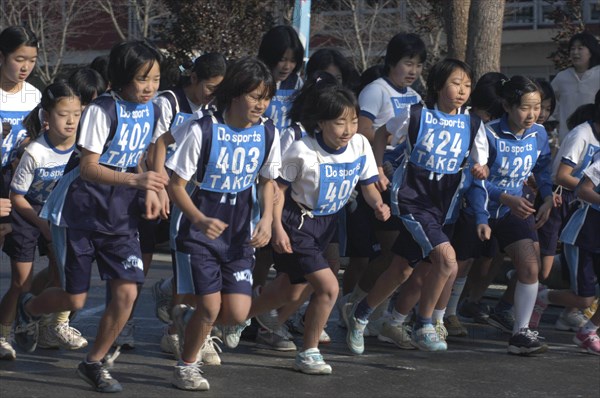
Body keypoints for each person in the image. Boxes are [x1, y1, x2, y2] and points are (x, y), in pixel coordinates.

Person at [13, 40, 168, 393]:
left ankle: (93, 362)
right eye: (142, 79)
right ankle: (30, 306)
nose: (149, 87)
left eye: (155, 79)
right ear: (123, 77)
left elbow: (153, 148)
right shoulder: (101, 110)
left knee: (128, 293)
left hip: (122, 216)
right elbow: (88, 169)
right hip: (80, 214)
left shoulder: (155, 109)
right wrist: (137, 179)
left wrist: (156, 187)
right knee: (74, 298)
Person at [343, 58, 489, 354]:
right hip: (413, 198)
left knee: (402, 270)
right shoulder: (416, 115)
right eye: (455, 83)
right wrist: (380, 167)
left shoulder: (473, 124)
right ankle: (424, 323)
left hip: (444, 205)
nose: (462, 90)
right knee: (447, 260)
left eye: (467, 85)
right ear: (437, 86)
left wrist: (480, 169)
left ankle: (361, 314)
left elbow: (480, 161)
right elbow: (383, 133)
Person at [248, 73, 390, 374]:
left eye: (352, 122)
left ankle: (237, 317)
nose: (348, 130)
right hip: (297, 222)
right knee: (328, 287)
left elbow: (367, 185)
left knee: (290, 289)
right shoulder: (301, 149)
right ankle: (309, 352)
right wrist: (275, 228)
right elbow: (277, 189)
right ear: (321, 122)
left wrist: (378, 204)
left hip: (326, 225)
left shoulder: (360, 146)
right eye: (340, 123)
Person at [165, 56, 280, 391]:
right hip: (200, 233)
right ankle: (186, 366)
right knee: (211, 307)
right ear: (234, 95)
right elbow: (175, 184)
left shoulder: (267, 132)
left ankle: (186, 314)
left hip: (239, 233)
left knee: (237, 312)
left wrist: (268, 220)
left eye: (266, 97)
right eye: (255, 97)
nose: (262, 104)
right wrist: (198, 218)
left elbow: (268, 181)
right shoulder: (203, 129)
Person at [340, 33, 426, 340]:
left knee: (395, 255)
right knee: (388, 253)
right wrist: (377, 166)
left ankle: (366, 308)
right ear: (392, 62)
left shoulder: (416, 97)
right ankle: (357, 306)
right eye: (407, 62)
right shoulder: (376, 91)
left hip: (402, 184)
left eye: (418, 64)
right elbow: (362, 132)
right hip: (375, 181)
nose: (413, 70)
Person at [468, 76, 555, 355]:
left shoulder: (539, 133)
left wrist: (547, 197)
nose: (532, 115)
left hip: (513, 211)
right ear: (506, 105)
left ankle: (520, 333)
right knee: (454, 268)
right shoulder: (488, 133)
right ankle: (430, 319)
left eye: (537, 107)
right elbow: (475, 180)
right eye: (525, 108)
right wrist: (503, 196)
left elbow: (542, 168)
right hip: (477, 209)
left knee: (530, 268)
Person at [0, 82, 86, 360]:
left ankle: (53, 325)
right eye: (63, 114)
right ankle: (4, 334)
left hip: (57, 212)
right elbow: (18, 197)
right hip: (28, 214)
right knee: (20, 282)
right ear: (47, 117)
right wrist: (41, 224)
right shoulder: (35, 152)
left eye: (76, 113)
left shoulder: (82, 151)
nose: (71, 120)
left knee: (61, 273)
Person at [529, 89, 600, 330]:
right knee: (548, 266)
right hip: (562, 201)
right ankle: (530, 297)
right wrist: (592, 191)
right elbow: (561, 176)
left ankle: (569, 313)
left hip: (585, 206)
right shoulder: (582, 134)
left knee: (583, 276)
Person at [0, 26, 41, 256]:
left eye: (32, 60)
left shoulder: (34, 96)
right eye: (19, 59)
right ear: (1, 56)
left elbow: (33, 140)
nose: (26, 67)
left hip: (13, 181)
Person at [560, 152, 600, 355]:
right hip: (584, 235)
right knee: (584, 299)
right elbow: (583, 190)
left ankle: (588, 331)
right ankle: (540, 297)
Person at [551, 32, 600, 142]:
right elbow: (548, 100)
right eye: (572, 49)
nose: (575, 52)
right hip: (567, 136)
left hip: (595, 138)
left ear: (591, 51)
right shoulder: (562, 77)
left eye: (580, 48)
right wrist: (557, 119)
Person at [258, 24, 304, 131]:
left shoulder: (296, 83)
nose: (287, 67)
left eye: (292, 61)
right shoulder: (255, 80)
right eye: (282, 60)